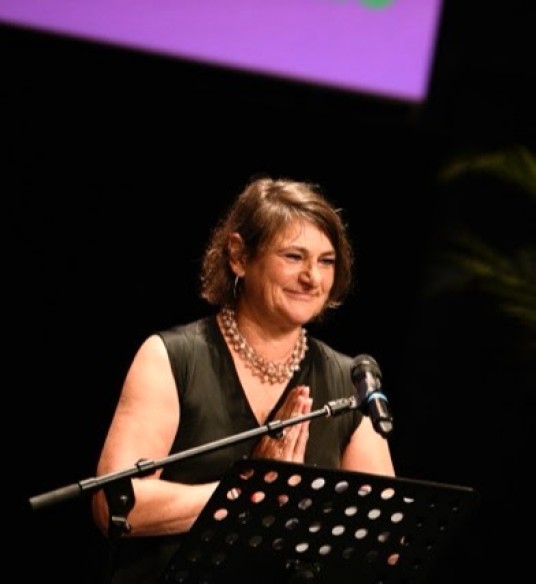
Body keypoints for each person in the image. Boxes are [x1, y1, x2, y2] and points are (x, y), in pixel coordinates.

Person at [90, 175, 395, 583]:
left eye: (326, 261)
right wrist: (249, 490)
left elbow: (386, 532)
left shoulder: (349, 380)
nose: (312, 277)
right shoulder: (172, 357)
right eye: (294, 256)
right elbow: (115, 505)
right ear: (238, 256)